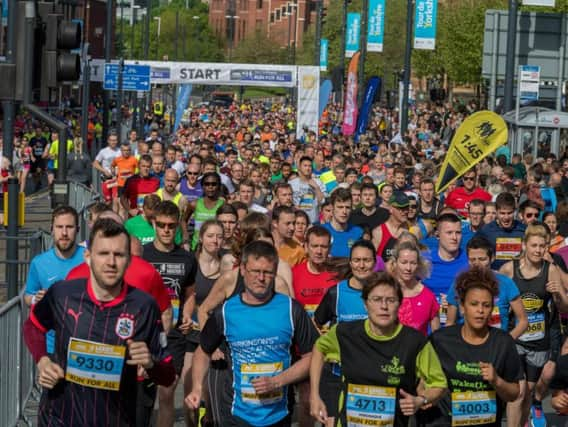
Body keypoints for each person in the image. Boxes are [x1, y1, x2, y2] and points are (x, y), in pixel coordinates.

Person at [23, 218, 175, 426]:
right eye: (103, 253)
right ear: (88, 257)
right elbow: (32, 326)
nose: (111, 262)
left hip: (115, 418)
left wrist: (150, 363)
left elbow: (168, 375)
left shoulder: (144, 306)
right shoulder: (62, 294)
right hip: (58, 418)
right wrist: (43, 360)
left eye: (119, 255)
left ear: (129, 260)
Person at [185, 241, 318, 426]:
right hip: (235, 413)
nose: (261, 278)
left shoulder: (291, 309)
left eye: (268, 272)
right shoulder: (226, 311)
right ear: (242, 270)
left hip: (278, 413)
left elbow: (312, 356)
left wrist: (277, 381)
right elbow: (203, 351)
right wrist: (197, 387)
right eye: (255, 271)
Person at [310, 272, 447, 427]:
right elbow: (319, 348)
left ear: (400, 304)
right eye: (376, 299)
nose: (384, 306)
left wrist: (421, 400)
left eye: (391, 300)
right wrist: (314, 396)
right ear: (365, 303)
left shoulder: (415, 342)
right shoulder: (344, 333)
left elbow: (439, 384)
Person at [420, 268, 522, 426]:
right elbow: (420, 377)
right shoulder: (441, 340)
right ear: (462, 307)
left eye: (486, 305)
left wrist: (497, 381)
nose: (480, 311)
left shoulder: (503, 342)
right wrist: (424, 395)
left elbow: (514, 394)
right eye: (474, 304)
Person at [499, 223, 568, 427]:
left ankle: (522, 422)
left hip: (540, 341)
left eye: (542, 246)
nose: (538, 250)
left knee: (528, 391)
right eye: (534, 245)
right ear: (524, 245)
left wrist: (557, 293)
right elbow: (498, 303)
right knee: (518, 392)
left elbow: (564, 307)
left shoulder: (551, 269)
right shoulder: (509, 269)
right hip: (516, 337)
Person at [142, 201, 198, 427]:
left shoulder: (187, 258)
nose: (166, 230)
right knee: (142, 398)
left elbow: (190, 293)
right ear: (153, 224)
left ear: (177, 227)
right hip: (144, 334)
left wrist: (186, 315)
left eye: (171, 226)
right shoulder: (142, 255)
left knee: (166, 395)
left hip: (173, 336)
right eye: (162, 225)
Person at [313, 240, 377, 419]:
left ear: (374, 262)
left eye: (366, 260)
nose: (361, 265)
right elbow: (315, 322)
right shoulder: (336, 293)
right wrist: (326, 346)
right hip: (337, 376)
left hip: (371, 376)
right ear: (350, 262)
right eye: (357, 260)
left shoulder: (382, 291)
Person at [24, 206, 86, 352]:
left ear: (77, 229)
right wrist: (35, 299)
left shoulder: (90, 259)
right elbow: (28, 295)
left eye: (69, 227)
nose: (64, 233)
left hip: (84, 345)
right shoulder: (39, 263)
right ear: (52, 229)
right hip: (52, 346)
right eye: (59, 227)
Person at [446, 236, 528, 339]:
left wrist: (506, 342)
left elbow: (523, 321)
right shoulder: (458, 283)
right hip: (466, 346)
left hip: (496, 346)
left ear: (492, 258)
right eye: (472, 260)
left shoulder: (506, 283)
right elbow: (450, 323)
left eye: (482, 259)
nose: (477, 264)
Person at [422, 213, 469, 326]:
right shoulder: (423, 260)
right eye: (449, 233)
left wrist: (455, 301)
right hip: (427, 326)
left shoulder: (470, 261)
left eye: (458, 233)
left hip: (459, 327)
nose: (454, 238)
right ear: (437, 235)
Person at [391, 240, 439, 335]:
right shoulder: (386, 291)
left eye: (413, 263)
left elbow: (436, 334)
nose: (408, 268)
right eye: (404, 262)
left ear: (418, 265)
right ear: (395, 263)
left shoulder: (428, 296)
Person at [476, 192, 526, 270]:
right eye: (502, 213)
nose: (506, 217)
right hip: (495, 276)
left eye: (509, 213)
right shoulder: (486, 231)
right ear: (496, 211)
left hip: (518, 276)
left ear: (515, 211)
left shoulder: (524, 230)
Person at [185, 172, 224, 250]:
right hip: (196, 248)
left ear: (218, 186)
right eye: (207, 184)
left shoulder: (223, 205)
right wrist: (185, 237)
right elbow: (183, 220)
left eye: (214, 184)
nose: (210, 187)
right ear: (202, 186)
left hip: (215, 248)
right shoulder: (194, 204)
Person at [322, 187, 364, 258]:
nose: (344, 212)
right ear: (332, 208)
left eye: (347, 207)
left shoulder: (358, 232)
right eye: (340, 207)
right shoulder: (321, 231)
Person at [372, 191, 409, 261]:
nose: (405, 211)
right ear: (391, 209)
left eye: (406, 207)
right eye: (400, 208)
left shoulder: (410, 230)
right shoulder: (379, 232)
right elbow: (372, 260)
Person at [290, 156, 326, 223]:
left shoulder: (318, 182)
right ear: (300, 167)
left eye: (309, 166)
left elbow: (323, 202)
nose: (307, 168)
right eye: (305, 166)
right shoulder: (291, 184)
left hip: (313, 222)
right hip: (296, 222)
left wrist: (317, 188)